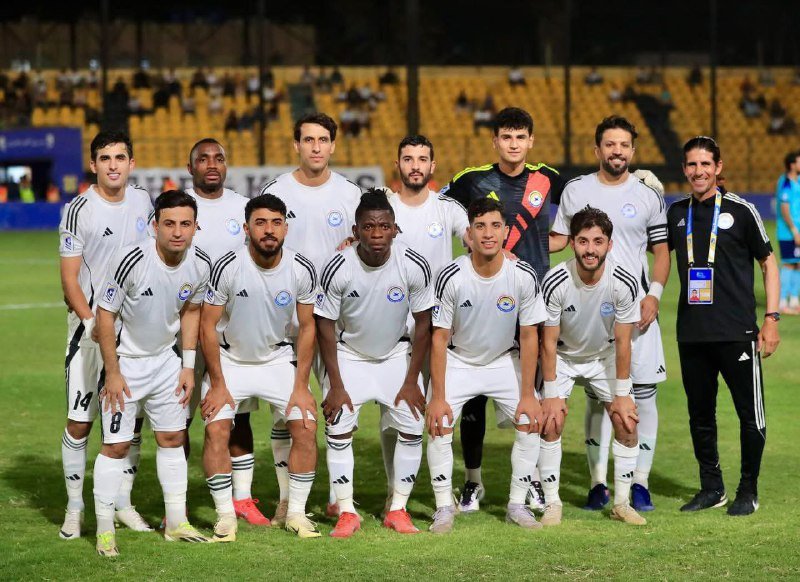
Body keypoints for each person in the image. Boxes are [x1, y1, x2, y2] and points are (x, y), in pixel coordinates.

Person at [441, 106, 562, 513]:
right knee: (474, 396)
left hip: (532, 301)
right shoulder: (471, 179)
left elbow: (586, 202)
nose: (513, 144)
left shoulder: (548, 178)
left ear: (531, 141)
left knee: (532, 395)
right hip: (482, 301)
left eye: (520, 137)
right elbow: (436, 211)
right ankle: (473, 481)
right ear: (494, 141)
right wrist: (469, 242)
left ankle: (532, 481)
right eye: (506, 137)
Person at [550, 116, 669, 512]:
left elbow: (662, 252)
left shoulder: (648, 195)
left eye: (624, 145)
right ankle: (598, 482)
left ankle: (640, 483)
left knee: (643, 395)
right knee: (599, 399)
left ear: (633, 150)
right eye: (610, 144)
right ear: (597, 149)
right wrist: (509, 245)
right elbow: (559, 241)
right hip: (588, 313)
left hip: (638, 311)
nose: (617, 151)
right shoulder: (576, 190)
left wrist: (653, 295)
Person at [92, 190, 212, 556]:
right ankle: (104, 530)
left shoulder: (199, 263)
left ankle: (176, 523)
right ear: (155, 225)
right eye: (169, 223)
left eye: (185, 224)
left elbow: (191, 310)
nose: (177, 232)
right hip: (126, 363)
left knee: (172, 438)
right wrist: (112, 372)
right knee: (116, 446)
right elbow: (105, 315)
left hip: (165, 363)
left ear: (195, 227)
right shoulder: (130, 260)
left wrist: (187, 366)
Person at [667, 136, 780, 516]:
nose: (698, 171)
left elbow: (769, 263)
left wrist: (771, 318)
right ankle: (711, 488)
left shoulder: (742, 211)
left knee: (750, 415)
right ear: (684, 169)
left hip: (737, 333)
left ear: (718, 167)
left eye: (705, 164)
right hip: (692, 333)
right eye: (692, 165)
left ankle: (748, 490)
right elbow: (654, 254)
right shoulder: (676, 213)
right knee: (700, 416)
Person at [259, 112, 362, 520]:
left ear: (333, 145)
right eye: (308, 140)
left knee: (340, 407)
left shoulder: (351, 193)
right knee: (287, 411)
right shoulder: (276, 191)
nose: (316, 147)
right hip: (288, 320)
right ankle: (287, 497)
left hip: (338, 320)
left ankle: (339, 497)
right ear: (296, 145)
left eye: (323, 140)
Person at [200, 194, 320, 541]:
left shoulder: (301, 268)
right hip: (231, 361)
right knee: (216, 430)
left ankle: (295, 513)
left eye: (276, 223)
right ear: (247, 228)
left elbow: (308, 328)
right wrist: (218, 384)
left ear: (286, 228)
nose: (269, 230)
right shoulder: (227, 266)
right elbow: (207, 326)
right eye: (261, 223)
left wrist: (301, 386)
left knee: (305, 427)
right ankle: (226, 517)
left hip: (277, 360)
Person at [315, 190, 433, 537]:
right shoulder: (338, 266)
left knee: (413, 425)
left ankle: (398, 509)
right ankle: (346, 511)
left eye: (384, 226)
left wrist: (411, 381)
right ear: (356, 231)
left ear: (395, 229)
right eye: (368, 227)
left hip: (396, 355)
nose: (377, 234)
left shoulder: (413, 264)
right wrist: (335, 385)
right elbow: (324, 325)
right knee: (338, 426)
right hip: (350, 355)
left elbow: (424, 324)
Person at [426, 197, 546, 534]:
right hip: (459, 361)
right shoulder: (451, 275)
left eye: (495, 226)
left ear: (506, 231)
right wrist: (438, 396)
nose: (488, 233)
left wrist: (528, 394)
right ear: (469, 233)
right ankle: (443, 508)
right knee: (439, 424)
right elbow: (439, 338)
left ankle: (517, 505)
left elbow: (530, 335)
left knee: (530, 422)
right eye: (480, 226)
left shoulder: (522, 274)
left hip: (503, 361)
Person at [57, 131, 153, 541]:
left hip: (135, 334)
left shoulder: (144, 202)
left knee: (130, 425)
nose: (113, 165)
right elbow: (69, 279)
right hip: (90, 334)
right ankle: (75, 508)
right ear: (93, 164)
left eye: (120, 157)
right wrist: (89, 321)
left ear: (131, 163)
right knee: (80, 422)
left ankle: (122, 504)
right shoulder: (79, 209)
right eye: (105, 158)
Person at [376, 135, 469, 511]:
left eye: (422, 159)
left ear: (433, 166)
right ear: (397, 164)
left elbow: (479, 240)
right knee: (392, 412)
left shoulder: (447, 208)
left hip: (438, 327)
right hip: (393, 326)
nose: (415, 166)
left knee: (438, 407)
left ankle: (440, 489)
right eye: (408, 159)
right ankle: (393, 489)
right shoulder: (384, 209)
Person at [179, 139, 269, 526]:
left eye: (218, 158)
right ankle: (177, 502)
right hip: (183, 331)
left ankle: (243, 499)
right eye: (203, 159)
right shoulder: (177, 207)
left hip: (230, 334)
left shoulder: (242, 207)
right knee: (177, 419)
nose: (212, 165)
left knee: (238, 416)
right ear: (190, 167)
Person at [539, 207, 646, 527]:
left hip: (604, 357)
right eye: (583, 241)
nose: (590, 249)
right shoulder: (555, 280)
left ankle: (622, 504)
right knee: (551, 422)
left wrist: (623, 395)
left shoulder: (623, 282)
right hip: (563, 357)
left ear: (609, 245)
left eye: (598, 241)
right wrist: (551, 393)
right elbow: (547, 342)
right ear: (572, 243)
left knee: (627, 423)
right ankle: (552, 502)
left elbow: (624, 341)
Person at [775, 151, 800, 313]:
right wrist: (794, 230)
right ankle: (782, 301)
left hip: (798, 230)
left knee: (798, 264)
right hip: (788, 232)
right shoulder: (785, 183)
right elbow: (784, 209)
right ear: (792, 165)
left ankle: (794, 300)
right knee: (789, 263)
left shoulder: (798, 181)